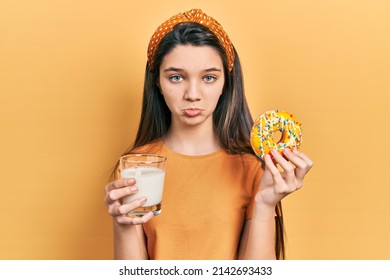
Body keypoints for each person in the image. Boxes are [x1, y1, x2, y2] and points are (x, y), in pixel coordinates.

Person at [104, 8, 313, 260]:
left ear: (226, 82)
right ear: (157, 82)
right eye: (177, 77)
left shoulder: (252, 167)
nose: (193, 94)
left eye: (209, 78)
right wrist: (122, 223)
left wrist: (265, 204)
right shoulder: (136, 167)